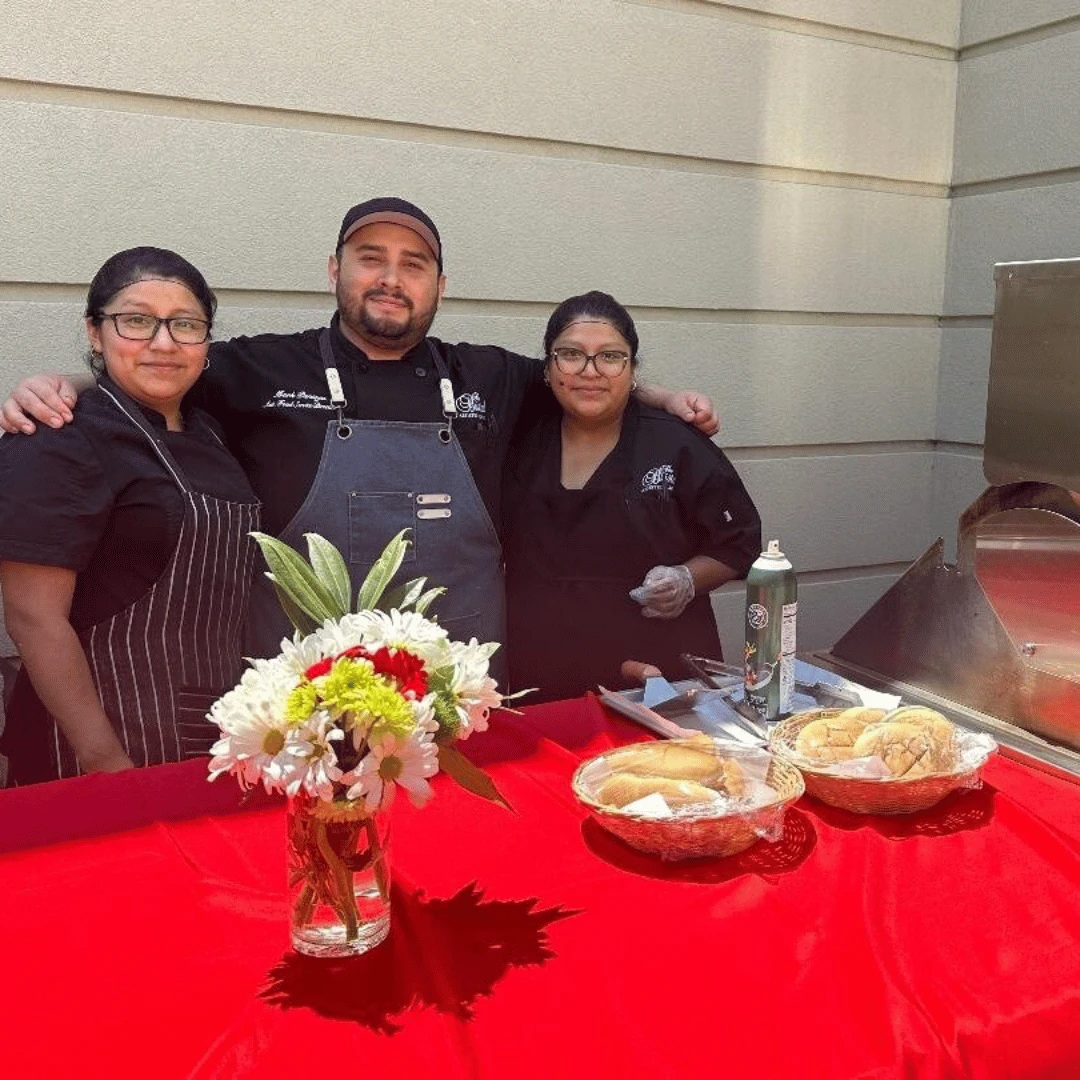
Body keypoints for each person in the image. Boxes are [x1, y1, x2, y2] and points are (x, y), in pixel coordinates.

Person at [0, 199, 719, 666]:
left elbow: (581, 375)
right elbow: (158, 364)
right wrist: (70, 383)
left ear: (439, 285)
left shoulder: (490, 377)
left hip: (461, 687)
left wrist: (664, 395)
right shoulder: (258, 366)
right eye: (371, 258)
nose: (390, 278)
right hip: (303, 699)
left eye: (414, 264)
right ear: (335, 269)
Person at [0, 249, 260, 783]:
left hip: (209, 730)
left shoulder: (210, 431)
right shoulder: (59, 438)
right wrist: (106, 765)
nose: (163, 343)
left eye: (185, 325)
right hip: (93, 745)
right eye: (136, 321)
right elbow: (32, 616)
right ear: (95, 332)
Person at [503, 292, 761, 703]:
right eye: (571, 354)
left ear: (632, 370)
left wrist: (687, 580)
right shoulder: (516, 435)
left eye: (610, 357)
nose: (590, 371)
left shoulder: (677, 444)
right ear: (549, 368)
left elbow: (740, 543)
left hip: (658, 674)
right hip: (542, 673)